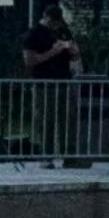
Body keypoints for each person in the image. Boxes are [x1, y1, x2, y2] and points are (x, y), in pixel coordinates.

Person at [18, 9, 81, 167]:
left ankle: (70, 155)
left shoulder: (62, 31)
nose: (55, 26)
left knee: (67, 119)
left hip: (64, 81)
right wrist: (53, 51)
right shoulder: (33, 35)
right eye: (53, 22)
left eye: (58, 23)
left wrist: (74, 52)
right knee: (46, 120)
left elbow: (75, 56)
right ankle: (46, 156)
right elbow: (30, 60)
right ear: (46, 18)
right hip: (44, 83)